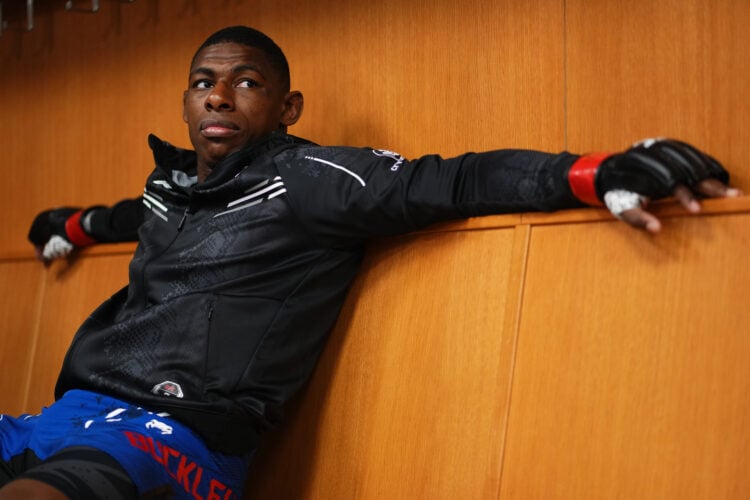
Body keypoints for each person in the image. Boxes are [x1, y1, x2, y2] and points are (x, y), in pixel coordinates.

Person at [2, 25, 740, 499]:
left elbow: (450, 180)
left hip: (173, 441)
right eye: (204, 81)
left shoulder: (311, 179)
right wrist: (75, 223)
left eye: (247, 82)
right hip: (69, 413)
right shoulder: (171, 185)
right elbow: (147, 216)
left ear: (287, 107)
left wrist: (593, 171)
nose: (220, 95)